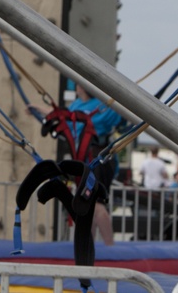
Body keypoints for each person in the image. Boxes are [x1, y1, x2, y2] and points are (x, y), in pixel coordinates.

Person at [68, 84, 121, 245]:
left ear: (82, 88)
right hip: (87, 159)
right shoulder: (76, 106)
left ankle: (109, 245)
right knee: (88, 205)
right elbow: (62, 118)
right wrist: (37, 109)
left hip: (98, 158)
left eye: (77, 86)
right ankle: (87, 244)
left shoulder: (101, 106)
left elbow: (119, 115)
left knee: (96, 205)